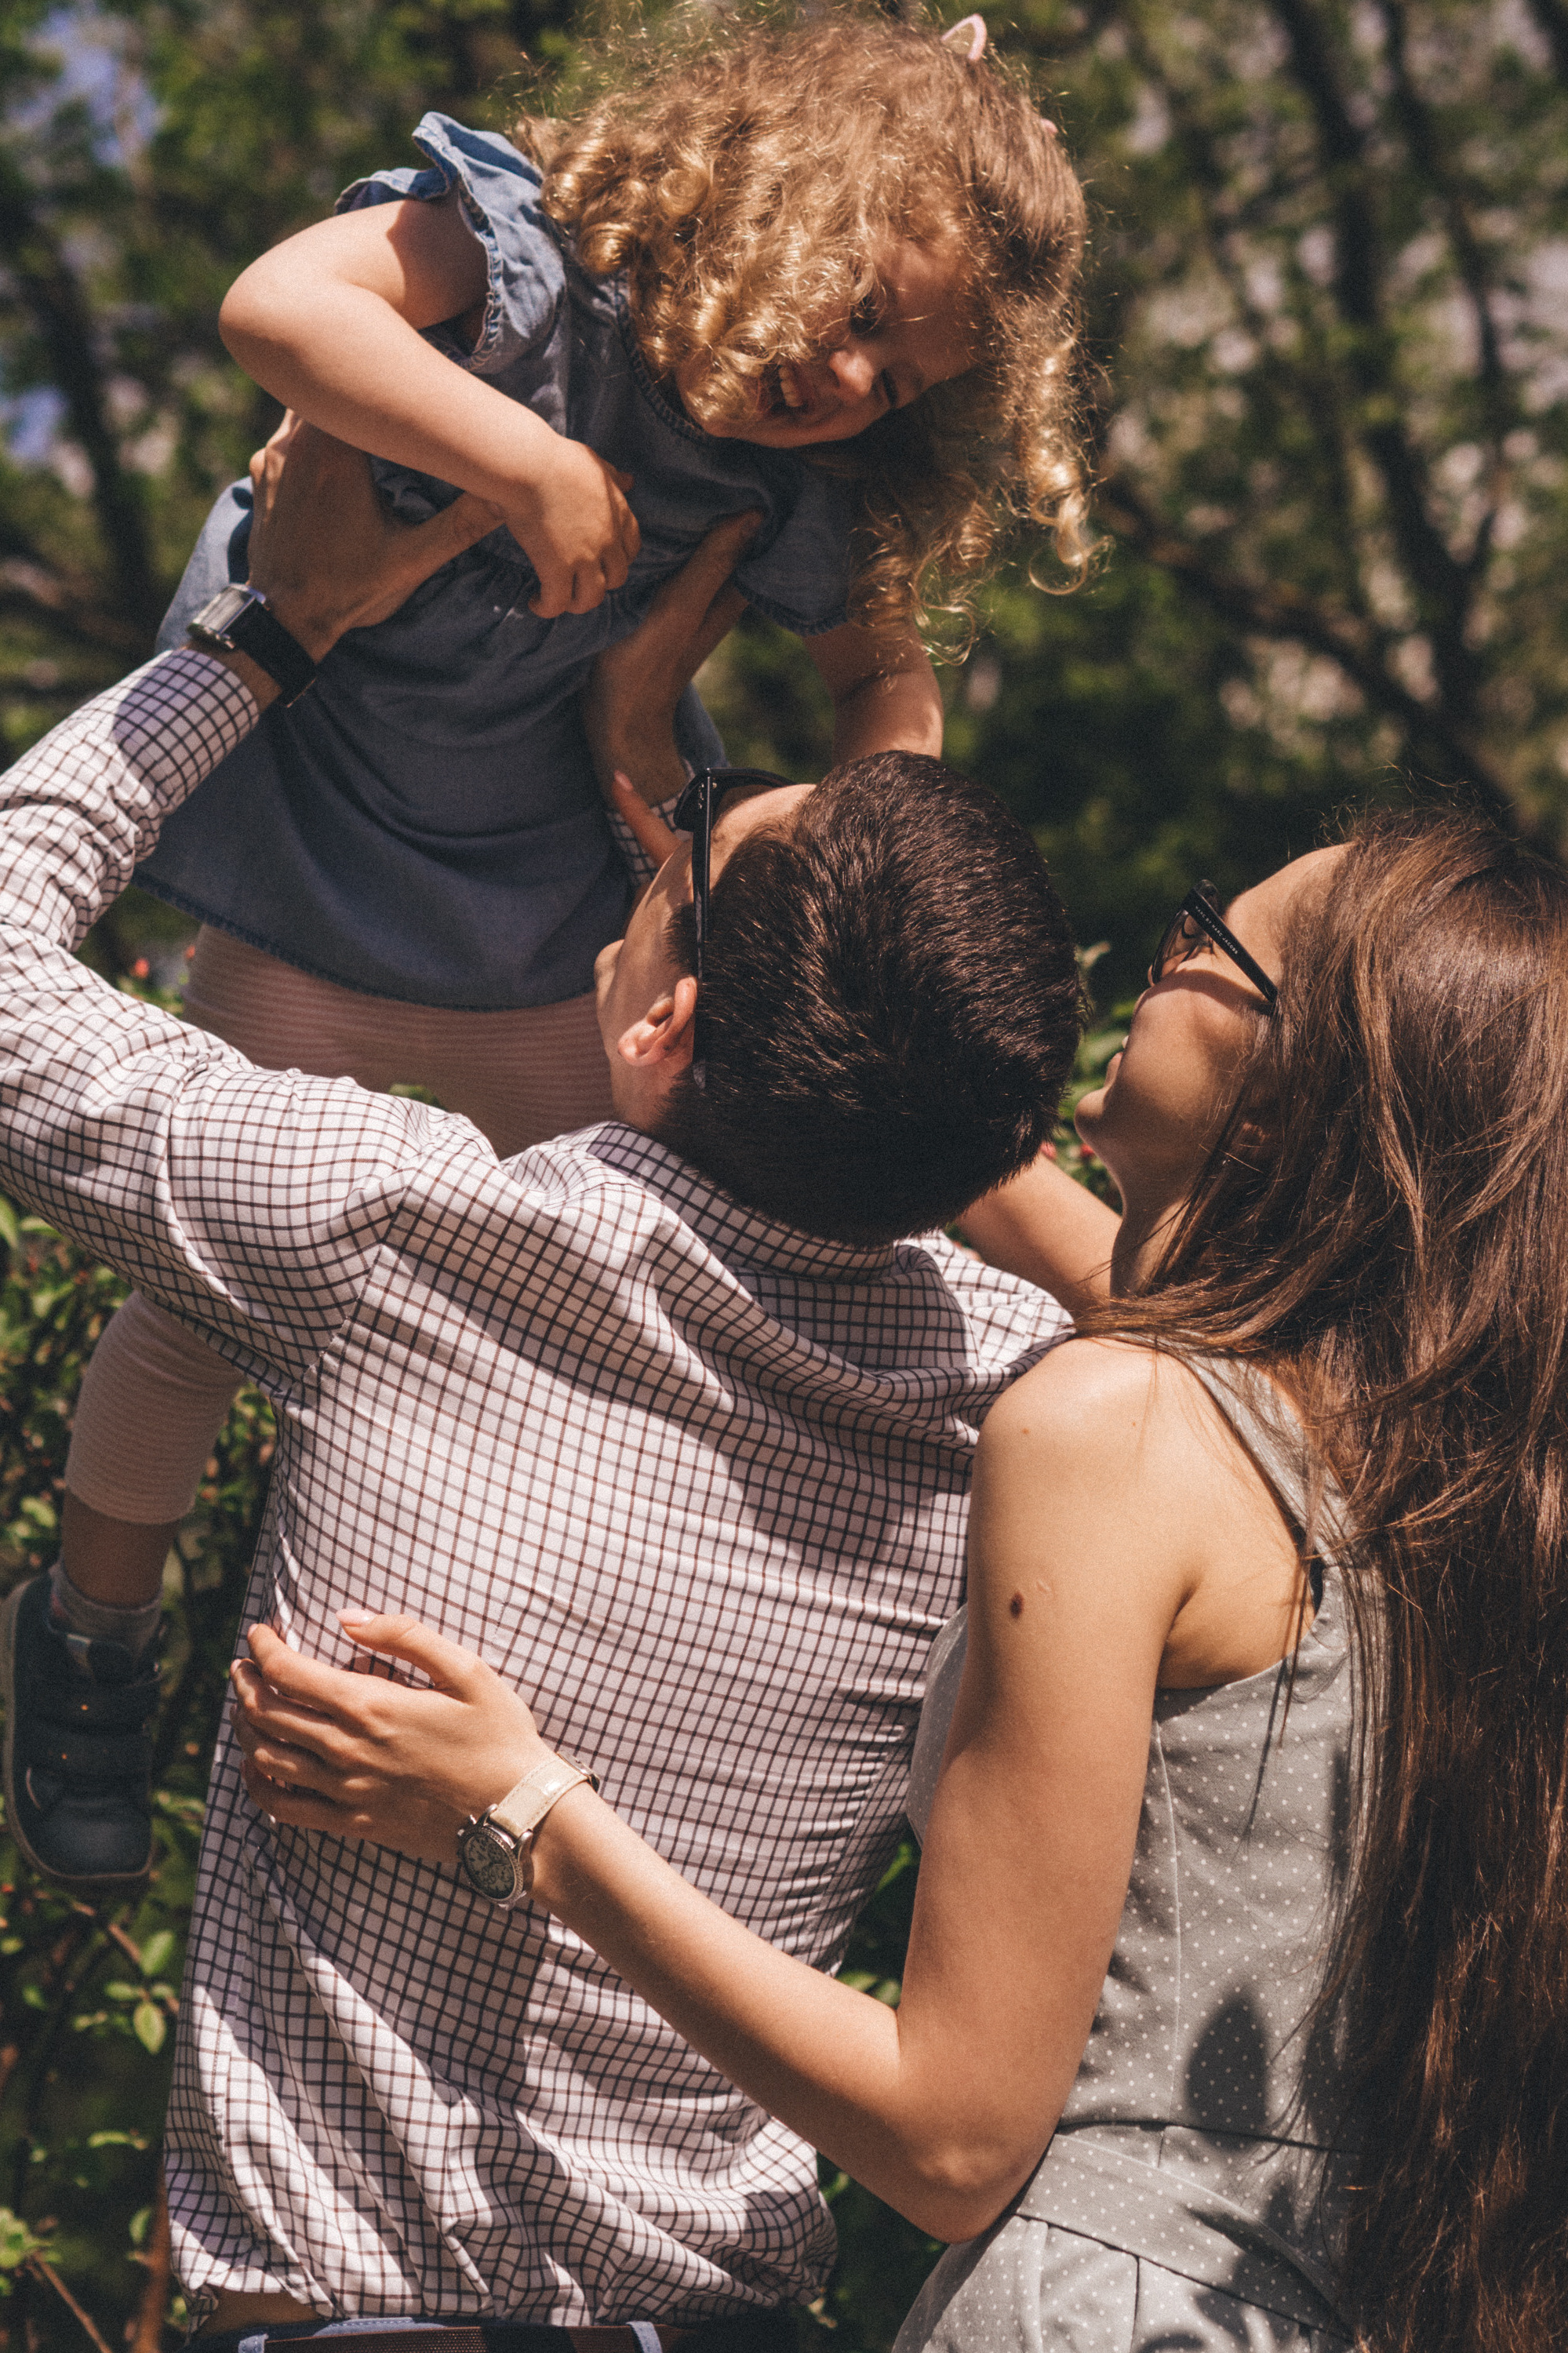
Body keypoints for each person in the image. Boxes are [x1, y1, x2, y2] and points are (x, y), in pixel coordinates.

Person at [0, 423, 1097, 2341]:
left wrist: (273, 635)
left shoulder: (410, 1238)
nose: (666, 842)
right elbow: (1296, 1342)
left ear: (664, 1020)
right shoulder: (1043, 1420)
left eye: (691, 848)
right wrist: (925, 1085)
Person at [233, 813, 1568, 2352]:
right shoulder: (1436, 1481)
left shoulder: (1113, 1433)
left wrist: (525, 1813)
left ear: (1310, 1082)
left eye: (1214, 938)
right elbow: (1120, 1271)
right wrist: (851, 974)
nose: (1168, 949)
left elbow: (948, 2135)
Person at [35, 4, 1093, 1898]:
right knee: (202, 1295)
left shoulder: (786, 490)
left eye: (896, 373)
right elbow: (284, 310)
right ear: (766, 188)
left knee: (592, 1299)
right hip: (317, 864)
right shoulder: (528, 263)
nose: (845, 375)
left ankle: (529, 1697)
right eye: (852, 301)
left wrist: (841, 874)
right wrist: (519, 460)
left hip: (551, 922)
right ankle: (92, 1638)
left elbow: (885, 680)